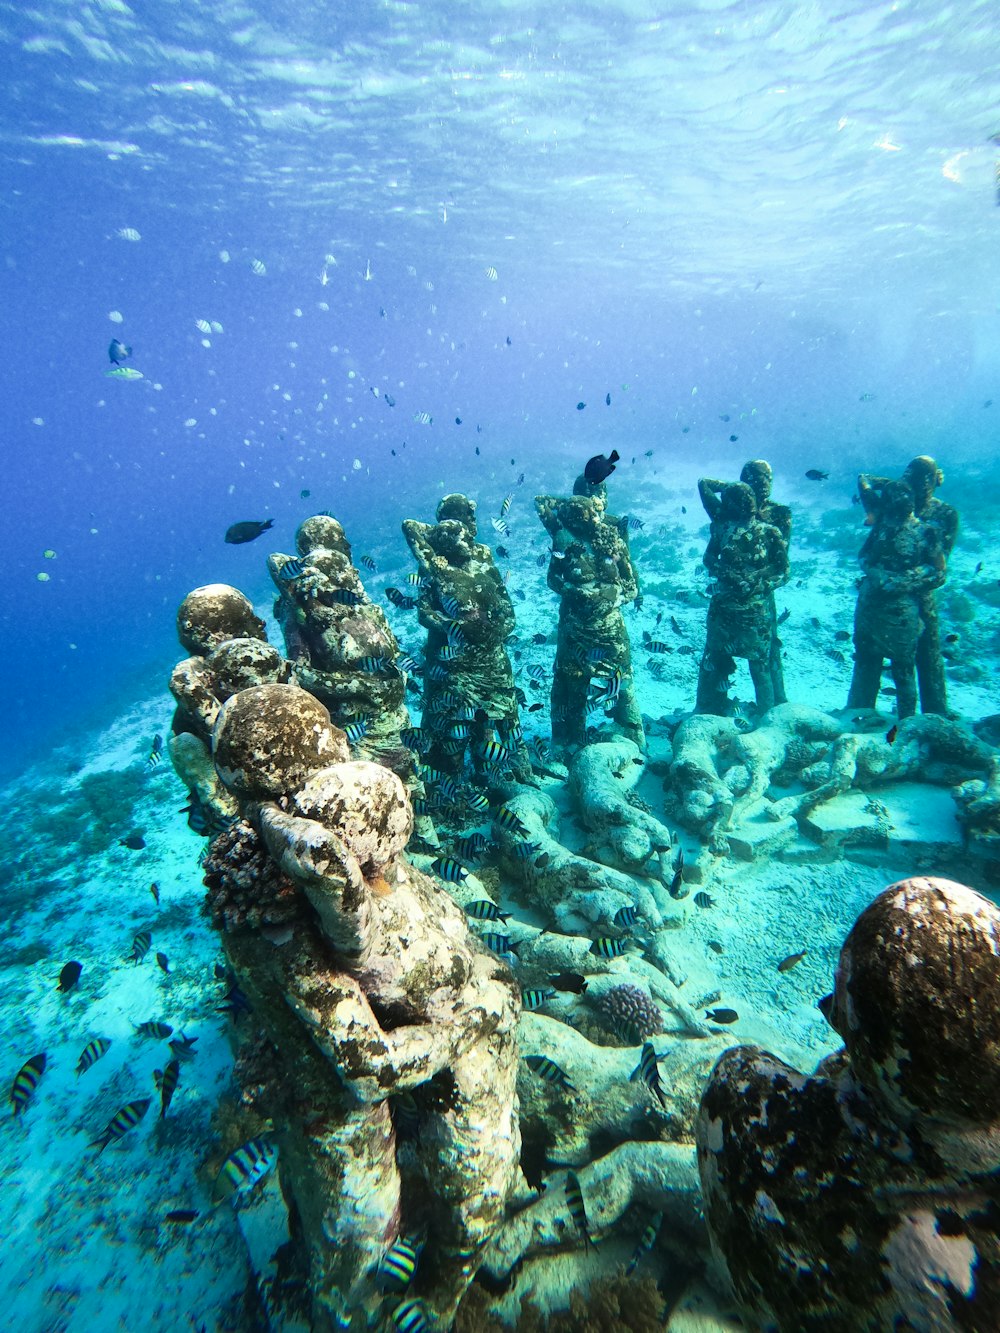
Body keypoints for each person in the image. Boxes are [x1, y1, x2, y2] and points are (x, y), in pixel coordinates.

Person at [857, 455, 957, 713]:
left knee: (928, 657)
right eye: (908, 480)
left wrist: (902, 582)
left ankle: (935, 715)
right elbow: (864, 480)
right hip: (879, 598)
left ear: (935, 480)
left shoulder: (943, 515)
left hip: (919, 599)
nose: (914, 485)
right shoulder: (888, 510)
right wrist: (895, 487)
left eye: (923, 480)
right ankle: (859, 712)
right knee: (868, 656)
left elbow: (939, 566)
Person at [698, 460, 791, 704]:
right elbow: (704, 485)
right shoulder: (724, 518)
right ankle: (710, 706)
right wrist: (735, 490)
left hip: (759, 595)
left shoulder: (778, 514)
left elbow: (782, 563)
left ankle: (775, 706)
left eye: (766, 479)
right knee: (716, 657)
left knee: (766, 655)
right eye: (755, 480)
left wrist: (756, 581)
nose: (762, 485)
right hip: (729, 597)